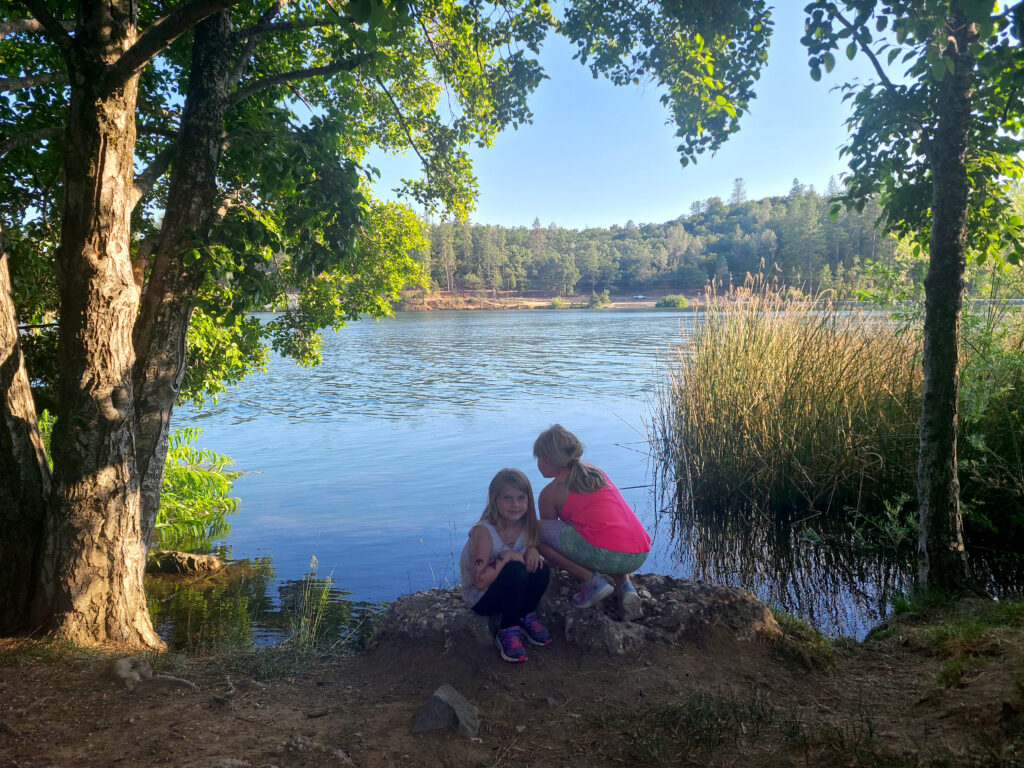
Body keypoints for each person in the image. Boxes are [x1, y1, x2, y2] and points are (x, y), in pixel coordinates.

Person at [533, 424, 651, 621]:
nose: (538, 463)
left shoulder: (550, 493)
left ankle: (592, 582)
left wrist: (548, 563)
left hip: (607, 553)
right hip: (638, 552)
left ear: (546, 461)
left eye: (538, 459)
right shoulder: (595, 472)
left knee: (534, 530)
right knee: (602, 532)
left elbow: (550, 546)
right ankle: (625, 586)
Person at [459, 468, 552, 663]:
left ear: (528, 500)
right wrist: (507, 556)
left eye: (520, 497)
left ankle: (525, 615)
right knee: (515, 570)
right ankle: (507, 629)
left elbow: (529, 545)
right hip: (481, 598)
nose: (515, 504)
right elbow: (480, 581)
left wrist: (532, 550)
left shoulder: (526, 525)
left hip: (507, 590)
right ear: (494, 500)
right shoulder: (485, 532)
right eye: (507, 498)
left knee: (541, 569)